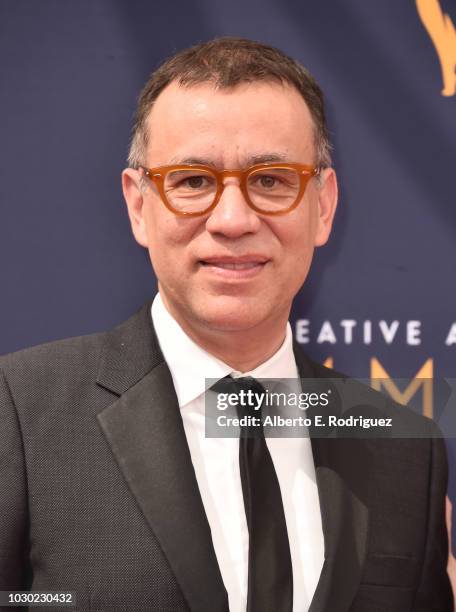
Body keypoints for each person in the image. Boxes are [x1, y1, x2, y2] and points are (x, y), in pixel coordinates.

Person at [0, 37, 452, 612]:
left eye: (270, 180)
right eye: (192, 181)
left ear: (324, 206)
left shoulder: (404, 449)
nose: (233, 220)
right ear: (140, 206)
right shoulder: (17, 411)